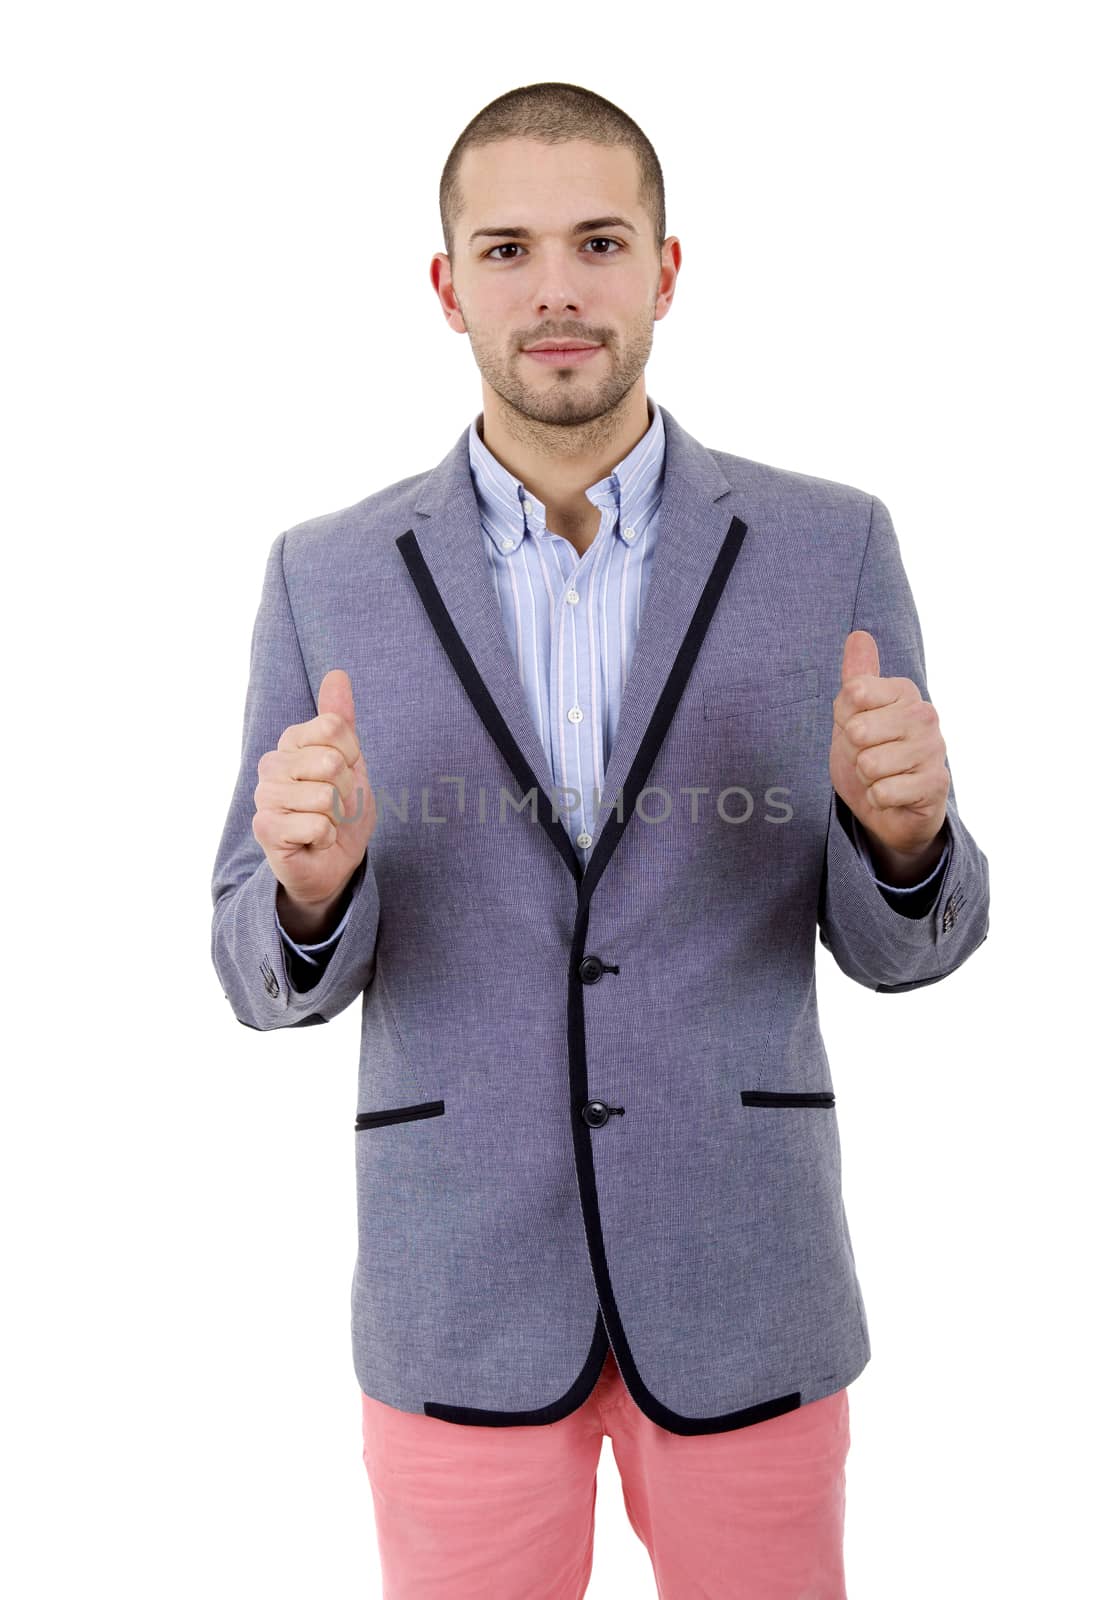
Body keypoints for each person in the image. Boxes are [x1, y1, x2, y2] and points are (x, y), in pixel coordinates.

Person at [211, 80, 990, 1600]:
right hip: (457, 1287)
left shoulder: (830, 542)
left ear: (666, 270)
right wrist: (312, 891)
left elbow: (913, 943)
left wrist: (904, 840)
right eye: (504, 249)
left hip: (746, 1279)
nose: (554, 288)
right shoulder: (327, 574)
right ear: (447, 287)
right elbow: (252, 957)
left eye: (597, 242)